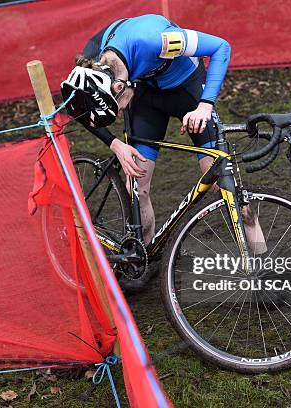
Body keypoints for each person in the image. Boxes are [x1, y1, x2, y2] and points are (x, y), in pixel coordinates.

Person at [61, 14, 266, 257]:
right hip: (145, 95)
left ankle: (264, 258)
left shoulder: (156, 40)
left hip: (185, 87)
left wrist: (205, 106)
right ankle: (144, 257)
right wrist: (115, 144)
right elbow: (81, 109)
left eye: (116, 108)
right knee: (137, 185)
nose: (120, 114)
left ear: (118, 87)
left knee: (223, 182)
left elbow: (221, 47)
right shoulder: (92, 62)